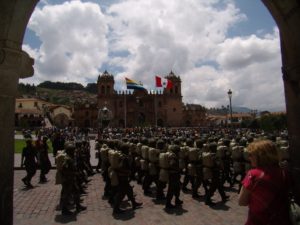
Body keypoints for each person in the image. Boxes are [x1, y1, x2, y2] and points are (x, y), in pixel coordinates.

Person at [238, 140, 292, 225]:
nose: (249, 158)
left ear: (261, 156)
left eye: (251, 155)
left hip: (259, 220)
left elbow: (241, 201)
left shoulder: (253, 174)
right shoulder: (284, 172)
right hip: (281, 220)